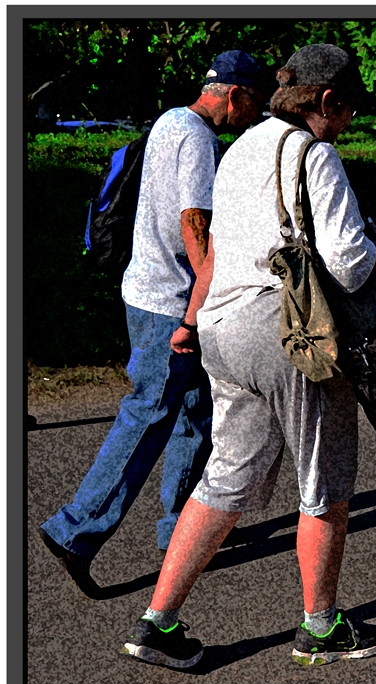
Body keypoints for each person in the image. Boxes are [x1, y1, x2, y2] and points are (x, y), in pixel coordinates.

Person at [118, 44, 376, 670]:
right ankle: (320, 628)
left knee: (225, 477)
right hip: (288, 333)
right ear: (325, 101)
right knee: (325, 479)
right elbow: (349, 265)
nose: (348, 121)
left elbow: (218, 248)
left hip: (222, 328)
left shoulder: (239, 149)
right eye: (347, 109)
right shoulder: (314, 152)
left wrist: (191, 321)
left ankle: (157, 623)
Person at [39, 50, 265, 599]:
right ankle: (76, 530)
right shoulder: (197, 139)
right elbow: (194, 226)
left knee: (196, 411)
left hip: (144, 291)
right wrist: (198, 311)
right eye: (252, 105)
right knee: (150, 414)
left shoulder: (167, 120)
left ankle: (180, 529)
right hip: (170, 304)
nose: (252, 119)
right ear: (234, 95)